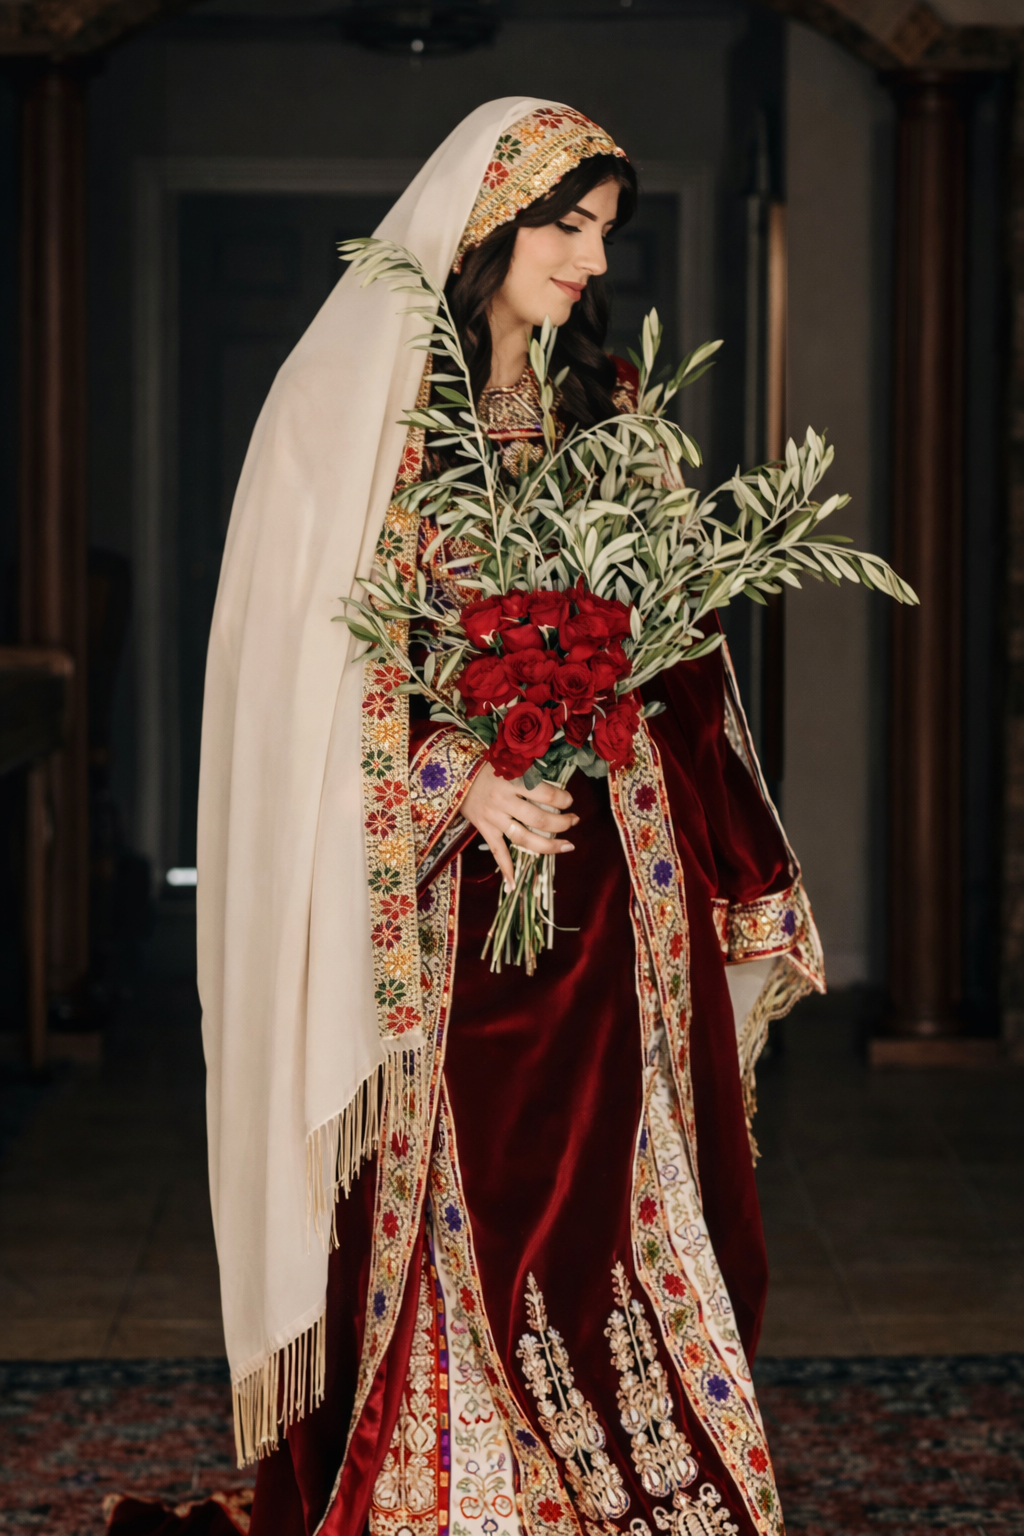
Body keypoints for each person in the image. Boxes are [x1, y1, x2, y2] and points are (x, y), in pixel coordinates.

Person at [110, 98, 824, 1536]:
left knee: (600, 1190)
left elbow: (668, 645)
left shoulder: (608, 404)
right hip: (439, 906)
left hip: (609, 882)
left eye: (604, 231)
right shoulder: (368, 417)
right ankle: (449, 1485)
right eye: (565, 226)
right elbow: (318, 677)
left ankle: (622, 1478)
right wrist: (463, 783)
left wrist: (687, 804)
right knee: (472, 1185)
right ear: (489, 227)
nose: (587, 255)